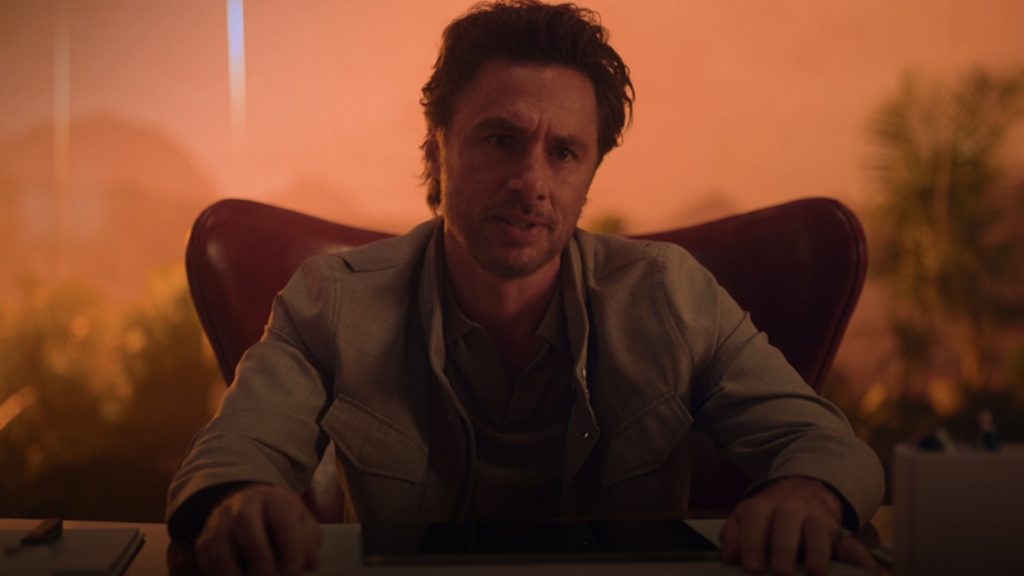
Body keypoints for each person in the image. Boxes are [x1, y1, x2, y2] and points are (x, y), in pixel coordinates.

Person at [167, 2, 884, 575]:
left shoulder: (671, 295)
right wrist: (238, 499)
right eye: (500, 140)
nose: (531, 182)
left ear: (590, 174)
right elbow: (230, 454)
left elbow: (825, 445)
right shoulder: (333, 300)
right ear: (437, 149)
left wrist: (807, 493)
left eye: (564, 152)